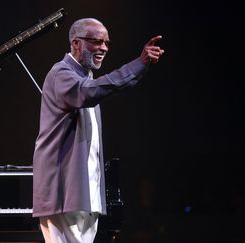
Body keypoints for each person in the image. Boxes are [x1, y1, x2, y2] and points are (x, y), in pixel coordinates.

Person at [32, 18, 164, 243]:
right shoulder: (61, 74)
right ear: (76, 43)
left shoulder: (86, 78)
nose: (103, 48)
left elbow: (102, 88)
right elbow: (92, 92)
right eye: (96, 41)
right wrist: (139, 63)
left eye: (107, 43)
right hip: (64, 193)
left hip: (86, 194)